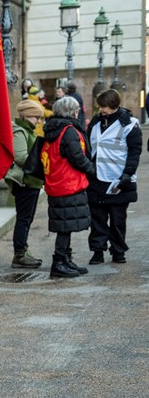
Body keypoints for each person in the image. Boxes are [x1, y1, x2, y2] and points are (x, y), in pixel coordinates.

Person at [42, 96, 95, 278]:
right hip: (69, 183)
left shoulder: (52, 129)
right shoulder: (69, 130)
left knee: (65, 223)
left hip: (57, 182)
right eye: (76, 109)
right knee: (65, 226)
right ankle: (59, 262)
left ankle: (65, 259)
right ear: (72, 111)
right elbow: (77, 157)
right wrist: (92, 169)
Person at [86, 89, 141, 265]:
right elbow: (89, 147)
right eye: (99, 106)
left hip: (118, 179)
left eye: (103, 107)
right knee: (97, 220)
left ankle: (118, 251)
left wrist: (128, 173)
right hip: (97, 179)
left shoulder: (130, 124)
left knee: (118, 220)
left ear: (114, 105)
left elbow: (135, 152)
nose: (100, 110)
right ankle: (97, 252)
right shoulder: (95, 121)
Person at [5, 100, 47, 268]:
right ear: (27, 115)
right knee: (24, 219)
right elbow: (21, 157)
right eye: (36, 117)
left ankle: (23, 250)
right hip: (25, 182)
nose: (38, 121)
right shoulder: (20, 131)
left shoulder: (27, 130)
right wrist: (41, 163)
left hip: (32, 181)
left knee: (26, 219)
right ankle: (20, 254)